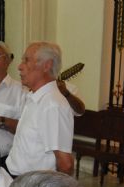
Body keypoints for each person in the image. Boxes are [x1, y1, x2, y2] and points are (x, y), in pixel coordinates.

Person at [6, 41, 74, 176]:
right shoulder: (35, 98)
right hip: (20, 180)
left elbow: (65, 164)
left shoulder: (52, 105)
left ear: (46, 65)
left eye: (26, 60)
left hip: (34, 186)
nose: (19, 66)